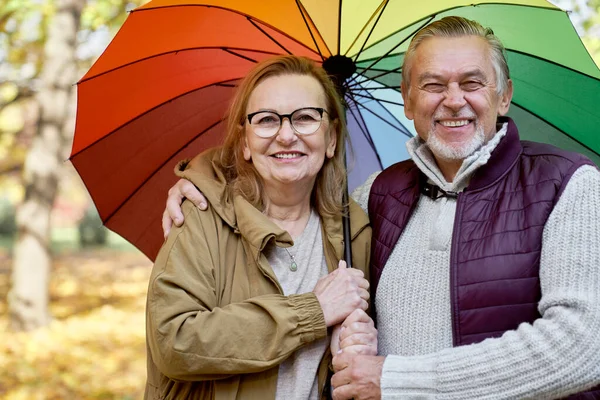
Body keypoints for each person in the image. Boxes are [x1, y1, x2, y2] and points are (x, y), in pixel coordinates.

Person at [162, 17, 600, 399]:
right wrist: (201, 178)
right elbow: (282, 177)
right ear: (408, 101)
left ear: (503, 97)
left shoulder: (568, 186)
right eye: (432, 84)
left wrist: (396, 379)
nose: (452, 99)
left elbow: (584, 346)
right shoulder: (378, 195)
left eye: (471, 82)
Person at [145, 55, 377, 400]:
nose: (286, 135)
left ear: (331, 140)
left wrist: (353, 345)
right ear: (245, 143)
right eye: (267, 120)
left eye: (305, 118)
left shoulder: (355, 232)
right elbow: (173, 340)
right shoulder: (202, 216)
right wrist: (312, 312)